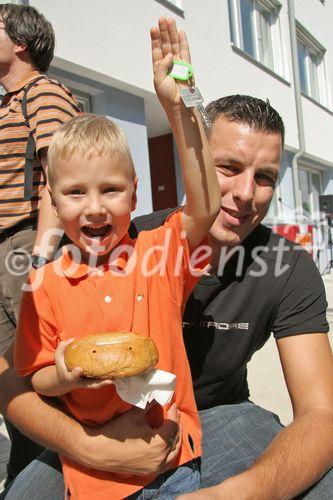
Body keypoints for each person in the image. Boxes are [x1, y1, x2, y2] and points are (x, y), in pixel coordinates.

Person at [0, 75, 332, 500]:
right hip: (94, 431)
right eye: (228, 167)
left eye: (265, 177)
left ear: (132, 191)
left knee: (318, 480)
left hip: (210, 419)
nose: (246, 193)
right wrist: (90, 446)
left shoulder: (283, 265)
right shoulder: (118, 238)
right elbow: (17, 375)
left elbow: (322, 414)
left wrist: (243, 493)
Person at [11, 16, 220, 499]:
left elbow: (206, 204)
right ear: (55, 201)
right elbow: (37, 374)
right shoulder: (42, 287)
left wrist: (180, 104)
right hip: (91, 476)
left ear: (134, 193)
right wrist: (63, 377)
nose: (96, 206)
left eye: (111, 189)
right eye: (76, 192)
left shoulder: (159, 252)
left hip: (173, 459)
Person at [0, 2, 79, 485]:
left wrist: (40, 257)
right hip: (6, 247)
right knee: (9, 378)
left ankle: (54, 476)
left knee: (36, 373)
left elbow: (59, 179)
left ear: (20, 42)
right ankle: (29, 471)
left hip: (26, 241)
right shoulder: (7, 103)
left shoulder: (42, 92)